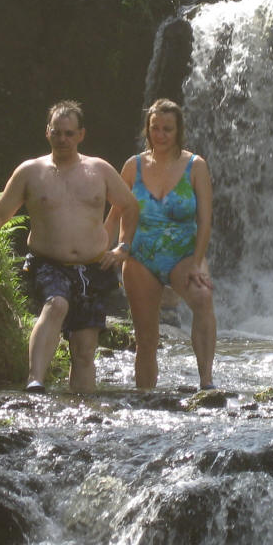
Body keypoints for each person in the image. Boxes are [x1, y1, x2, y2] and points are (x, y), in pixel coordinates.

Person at [0, 100, 139, 393]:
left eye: (69, 133)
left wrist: (123, 247)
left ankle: (83, 408)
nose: (62, 139)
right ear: (47, 132)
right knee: (56, 304)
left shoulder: (100, 169)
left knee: (84, 350)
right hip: (48, 263)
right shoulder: (30, 171)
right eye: (57, 132)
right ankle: (35, 382)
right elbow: (0, 213)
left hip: (94, 267)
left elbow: (130, 206)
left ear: (81, 135)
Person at [106, 98, 217, 390]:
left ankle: (206, 383)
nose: (161, 134)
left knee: (203, 298)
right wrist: (101, 251)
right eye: (155, 128)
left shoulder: (195, 166)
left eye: (168, 129)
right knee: (146, 337)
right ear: (147, 129)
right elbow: (115, 215)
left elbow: (205, 221)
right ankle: (145, 396)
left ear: (178, 131)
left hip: (184, 255)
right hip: (141, 256)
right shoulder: (133, 166)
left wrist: (197, 263)